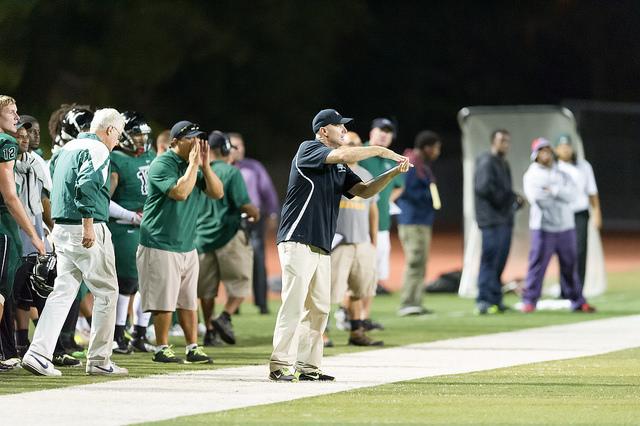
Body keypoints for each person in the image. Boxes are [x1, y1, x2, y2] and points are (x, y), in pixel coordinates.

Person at [269, 108, 410, 382]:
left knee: (320, 308)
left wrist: (392, 173)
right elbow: (345, 154)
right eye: (339, 126)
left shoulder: (340, 166)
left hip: (321, 242)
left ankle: (308, 367)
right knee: (294, 305)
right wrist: (380, 151)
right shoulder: (308, 149)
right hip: (297, 238)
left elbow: (365, 191)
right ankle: (279, 364)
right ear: (323, 131)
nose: (344, 130)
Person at [22, 108, 128, 377]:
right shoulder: (98, 149)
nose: (118, 140)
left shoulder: (67, 148)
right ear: (110, 130)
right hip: (85, 227)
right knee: (106, 292)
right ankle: (99, 359)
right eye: (118, 133)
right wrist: (89, 224)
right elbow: (87, 185)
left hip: (62, 227)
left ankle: (37, 352)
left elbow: (55, 184)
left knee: (63, 291)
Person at [137, 120, 223, 364]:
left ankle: (192, 346)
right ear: (175, 142)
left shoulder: (194, 164)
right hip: (159, 242)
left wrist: (205, 166)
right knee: (164, 300)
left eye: (198, 137)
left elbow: (217, 193)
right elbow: (180, 192)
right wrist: (194, 165)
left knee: (187, 299)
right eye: (191, 138)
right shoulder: (162, 163)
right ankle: (161, 347)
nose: (197, 142)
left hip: (186, 243)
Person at [197, 131, 259, 346]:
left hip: (200, 237)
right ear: (225, 149)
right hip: (229, 234)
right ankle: (224, 316)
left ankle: (209, 331)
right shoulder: (231, 172)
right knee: (242, 283)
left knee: (206, 290)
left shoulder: (196, 171)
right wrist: (256, 213)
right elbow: (244, 204)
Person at [521, 138, 595, 313]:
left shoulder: (562, 173)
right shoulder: (531, 175)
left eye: (548, 150)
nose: (546, 154)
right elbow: (538, 199)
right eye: (542, 151)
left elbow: (573, 196)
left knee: (570, 265)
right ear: (536, 154)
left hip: (566, 227)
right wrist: (559, 194)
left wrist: (553, 191)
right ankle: (530, 300)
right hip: (543, 228)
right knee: (537, 265)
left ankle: (577, 300)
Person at [0, 97, 46, 371]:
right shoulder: (6, 143)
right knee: (1, 294)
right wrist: (34, 235)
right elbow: (10, 196)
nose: (17, 118)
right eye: (11, 113)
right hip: (3, 228)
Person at [107, 111, 156, 354]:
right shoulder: (115, 159)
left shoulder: (151, 156)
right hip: (125, 227)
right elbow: (102, 200)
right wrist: (132, 216)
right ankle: (117, 334)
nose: (140, 140)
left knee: (149, 283)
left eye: (143, 135)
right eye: (136, 134)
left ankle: (140, 332)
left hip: (150, 226)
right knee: (126, 282)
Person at [329, 131, 383, 346]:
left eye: (358, 145)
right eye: (351, 144)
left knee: (359, 290)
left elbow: (373, 209)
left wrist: (373, 239)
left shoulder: (365, 172)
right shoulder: (332, 172)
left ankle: (357, 332)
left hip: (361, 241)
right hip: (337, 242)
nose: (355, 148)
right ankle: (321, 334)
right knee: (328, 292)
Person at [473, 129, 523, 314]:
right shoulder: (487, 161)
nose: (505, 145)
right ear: (493, 142)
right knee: (490, 260)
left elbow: (505, 189)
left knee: (499, 261)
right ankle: (483, 300)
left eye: (507, 141)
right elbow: (483, 189)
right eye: (502, 141)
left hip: (503, 219)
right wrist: (506, 200)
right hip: (491, 220)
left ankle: (495, 298)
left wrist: (515, 198)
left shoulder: (503, 163)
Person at [229, 132, 279, 314]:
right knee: (233, 263)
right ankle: (233, 307)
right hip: (232, 221)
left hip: (255, 220)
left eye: (240, 145)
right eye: (234, 146)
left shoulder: (254, 167)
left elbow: (268, 191)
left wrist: (273, 213)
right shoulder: (222, 168)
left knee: (258, 259)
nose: (238, 149)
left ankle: (262, 303)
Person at [396, 130, 442, 316]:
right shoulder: (412, 163)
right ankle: (407, 302)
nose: (437, 152)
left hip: (421, 219)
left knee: (421, 261)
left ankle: (416, 301)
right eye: (436, 148)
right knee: (415, 261)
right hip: (412, 220)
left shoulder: (423, 165)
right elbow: (404, 190)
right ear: (427, 147)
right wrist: (427, 196)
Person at [359, 118, 404, 295]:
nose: (385, 134)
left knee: (376, 271)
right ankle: (348, 312)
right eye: (381, 130)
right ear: (371, 133)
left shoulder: (390, 158)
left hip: (382, 223)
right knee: (358, 269)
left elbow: (400, 185)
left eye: (388, 131)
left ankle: (362, 314)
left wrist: (385, 200)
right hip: (359, 224)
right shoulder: (359, 153)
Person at [554, 134, 602, 291]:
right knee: (563, 251)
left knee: (580, 250)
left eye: (568, 145)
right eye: (562, 146)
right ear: (556, 149)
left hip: (580, 213)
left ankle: (578, 288)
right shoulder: (554, 167)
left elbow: (592, 192)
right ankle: (564, 288)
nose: (566, 149)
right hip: (561, 214)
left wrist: (597, 213)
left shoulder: (584, 166)